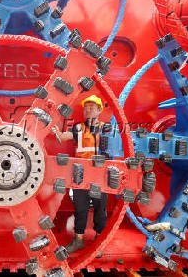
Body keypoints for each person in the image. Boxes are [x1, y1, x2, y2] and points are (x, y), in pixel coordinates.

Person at [51, 95, 108, 255]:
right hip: (81, 174)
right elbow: (63, 138)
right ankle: (78, 240)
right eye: (86, 107)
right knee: (80, 208)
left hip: (100, 175)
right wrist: (55, 130)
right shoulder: (78, 128)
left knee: (100, 208)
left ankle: (99, 240)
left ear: (99, 110)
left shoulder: (107, 129)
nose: (88, 110)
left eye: (92, 107)